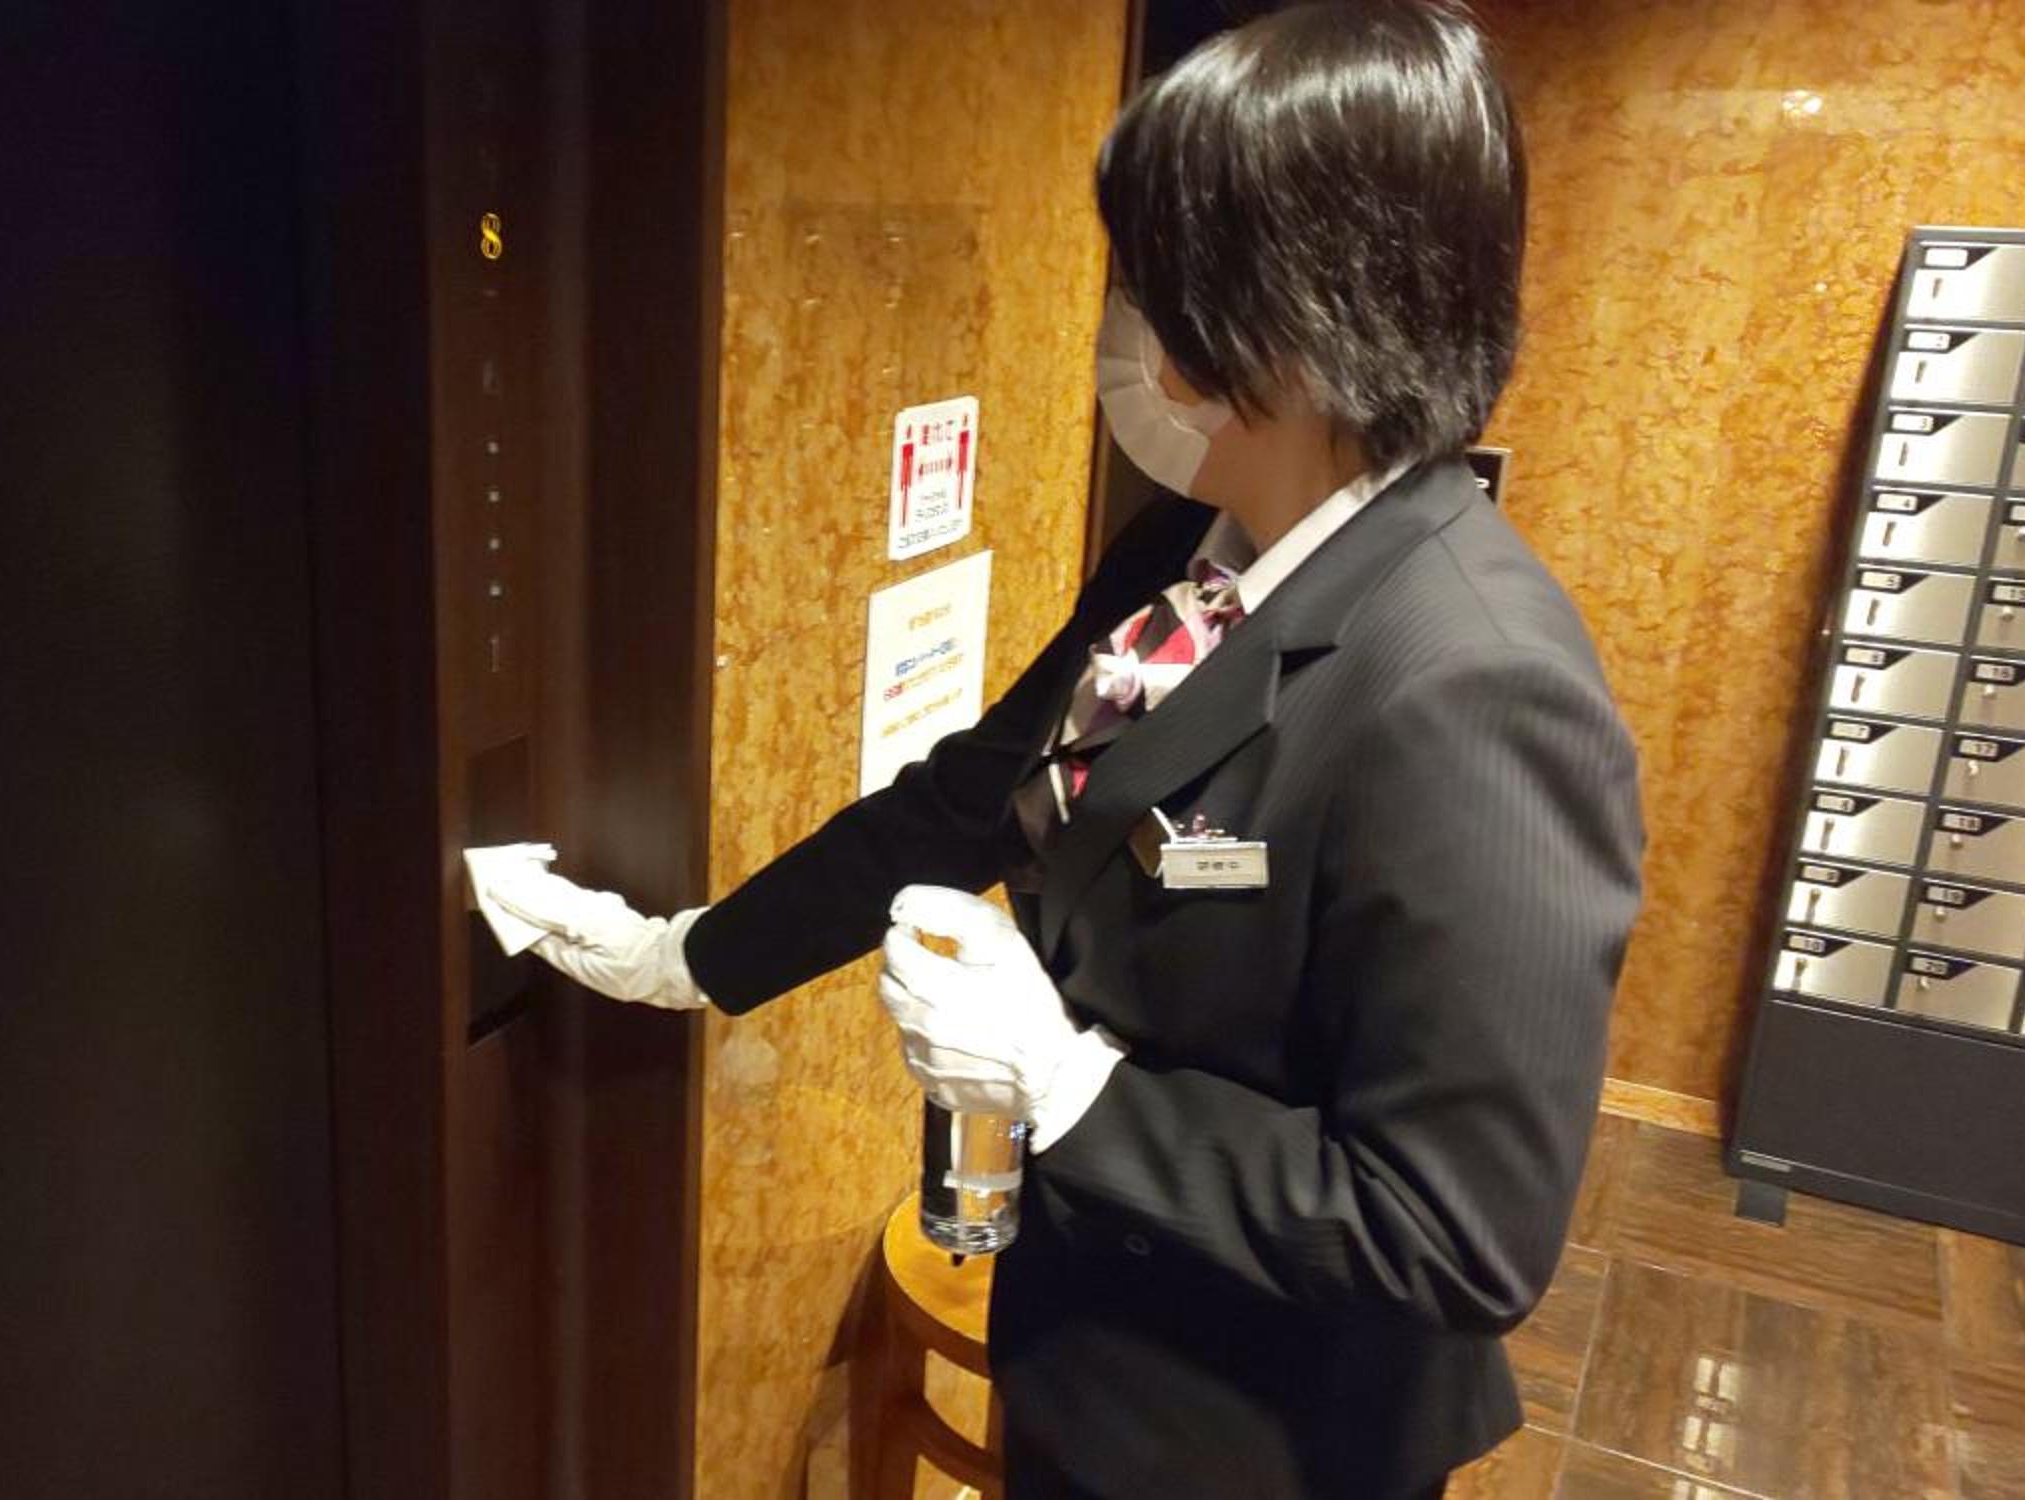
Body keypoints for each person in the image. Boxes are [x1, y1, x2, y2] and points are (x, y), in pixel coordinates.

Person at [485, 3, 1643, 1496]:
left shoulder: (1477, 686)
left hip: (1257, 1437)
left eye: (1156, 277)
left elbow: (1456, 1234)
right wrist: (682, 956)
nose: (1130, 322)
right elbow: (976, 799)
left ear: (1299, 303)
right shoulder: (1194, 545)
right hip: (1087, 1351)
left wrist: (1072, 1085)